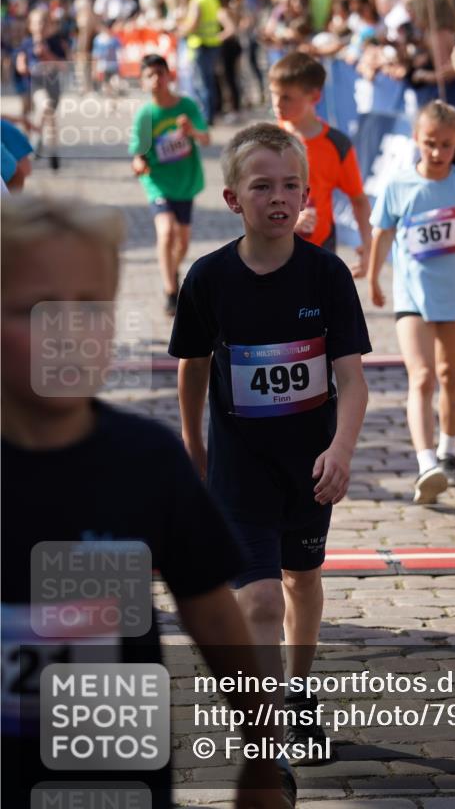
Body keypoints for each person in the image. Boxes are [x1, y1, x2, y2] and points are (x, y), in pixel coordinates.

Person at [0, 193, 286, 809]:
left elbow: (215, 619)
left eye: (90, 307)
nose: (67, 332)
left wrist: (262, 761)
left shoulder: (146, 462)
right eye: (33, 309)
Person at [169, 123, 370, 771]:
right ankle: (266, 737)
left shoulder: (326, 276)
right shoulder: (208, 279)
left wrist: (340, 449)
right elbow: (192, 364)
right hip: (239, 465)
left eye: (290, 186)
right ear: (232, 198)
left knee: (300, 582)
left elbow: (351, 379)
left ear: (306, 195)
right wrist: (192, 446)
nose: (278, 198)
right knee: (256, 598)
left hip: (310, 466)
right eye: (262, 187)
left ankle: (300, 692)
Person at [368, 100, 455, 500]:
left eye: (446, 144)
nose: (438, 153)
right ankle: (426, 463)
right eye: (430, 144)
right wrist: (374, 278)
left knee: (450, 375)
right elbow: (382, 233)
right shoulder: (399, 183)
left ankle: (448, 449)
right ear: (416, 139)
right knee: (422, 376)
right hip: (413, 293)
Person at [268, 53, 372, 276]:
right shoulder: (266, 139)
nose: (277, 103)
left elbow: (358, 200)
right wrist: (284, 220)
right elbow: (249, 197)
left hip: (319, 248)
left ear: (314, 96)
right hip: (271, 248)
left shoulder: (337, 145)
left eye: (287, 97)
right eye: (273, 94)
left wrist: (368, 247)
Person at [128, 53, 210, 315]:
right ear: (142, 82)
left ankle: (172, 269)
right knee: (166, 232)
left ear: (169, 76)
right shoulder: (145, 115)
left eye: (160, 73)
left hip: (185, 182)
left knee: (183, 242)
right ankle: (170, 291)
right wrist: (139, 163)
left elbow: (206, 138)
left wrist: (191, 132)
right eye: (149, 76)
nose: (156, 80)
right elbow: (138, 153)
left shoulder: (186, 106)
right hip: (158, 183)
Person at [14, 8, 68, 170]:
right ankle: (35, 142)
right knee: (44, 106)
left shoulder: (55, 43)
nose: (40, 26)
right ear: (30, 25)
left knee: (50, 118)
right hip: (36, 86)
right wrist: (24, 65)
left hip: (53, 86)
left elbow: (64, 66)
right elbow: (21, 66)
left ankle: (52, 150)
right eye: (37, 23)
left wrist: (47, 54)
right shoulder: (26, 44)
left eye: (44, 23)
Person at [180, 0, 223, 125]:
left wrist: (180, 30)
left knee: (202, 83)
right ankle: (211, 113)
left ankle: (205, 116)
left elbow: (193, 24)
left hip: (200, 44)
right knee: (209, 82)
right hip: (212, 43)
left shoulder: (197, 0)